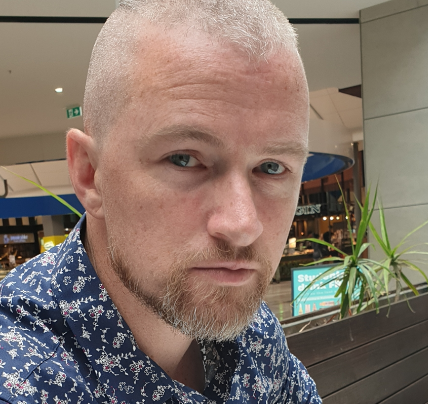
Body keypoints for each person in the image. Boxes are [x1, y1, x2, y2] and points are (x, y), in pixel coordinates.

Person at [0, 0, 321, 402]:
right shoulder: (23, 378)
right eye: (184, 159)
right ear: (90, 174)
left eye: (272, 167)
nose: (242, 225)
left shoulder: (252, 334)